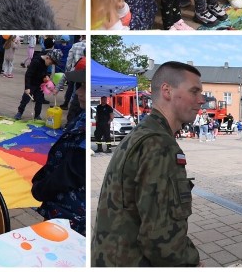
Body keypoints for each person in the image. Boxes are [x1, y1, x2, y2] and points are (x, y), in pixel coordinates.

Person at [92, 61, 203, 266]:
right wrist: (191, 263)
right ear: (167, 91)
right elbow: (161, 240)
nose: (202, 99)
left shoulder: (144, 133)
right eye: (194, 91)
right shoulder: (158, 144)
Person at [32, 58, 87, 235]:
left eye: (84, 86)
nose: (78, 91)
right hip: (62, 208)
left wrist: (42, 188)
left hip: (71, 214)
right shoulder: (80, 117)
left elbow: (70, 173)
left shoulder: (86, 124)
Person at [15, 49, 61, 121]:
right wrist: (27, 87)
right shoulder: (36, 62)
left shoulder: (46, 62)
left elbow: (43, 71)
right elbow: (28, 74)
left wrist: (45, 77)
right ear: (47, 57)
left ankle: (37, 115)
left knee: (39, 100)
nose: (50, 65)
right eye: (50, 63)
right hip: (31, 84)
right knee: (25, 99)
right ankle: (19, 112)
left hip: (40, 84)